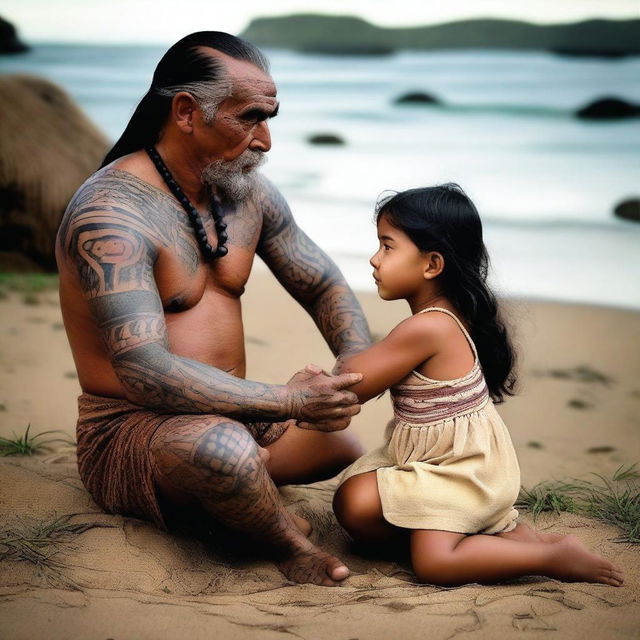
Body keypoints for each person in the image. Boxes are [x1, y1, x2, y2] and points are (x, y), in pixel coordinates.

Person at [55, 31, 374, 587]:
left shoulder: (249, 194)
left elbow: (322, 284)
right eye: (249, 118)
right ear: (186, 112)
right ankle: (283, 541)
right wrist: (288, 399)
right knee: (224, 450)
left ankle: (231, 488)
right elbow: (145, 370)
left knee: (342, 440)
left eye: (270, 118)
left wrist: (354, 371)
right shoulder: (111, 215)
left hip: (239, 414)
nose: (267, 141)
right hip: (132, 429)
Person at [332, 184, 624, 587]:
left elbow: (352, 383)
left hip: (461, 471)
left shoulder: (429, 327)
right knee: (354, 504)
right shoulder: (447, 315)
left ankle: (550, 556)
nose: (374, 258)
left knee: (434, 565)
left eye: (387, 247)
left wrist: (321, 377)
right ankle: (493, 538)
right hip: (445, 460)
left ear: (432, 264)